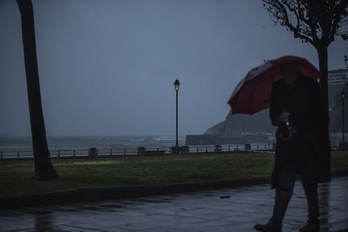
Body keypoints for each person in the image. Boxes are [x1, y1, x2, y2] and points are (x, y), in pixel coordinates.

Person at [254, 62, 331, 232]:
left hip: (306, 143)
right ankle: (275, 222)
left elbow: (319, 114)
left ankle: (313, 221)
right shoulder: (278, 87)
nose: (286, 75)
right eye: (283, 71)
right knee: (283, 183)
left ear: (296, 69)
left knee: (310, 183)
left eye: (289, 71)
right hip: (286, 144)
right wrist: (280, 118)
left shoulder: (310, 86)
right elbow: (273, 115)